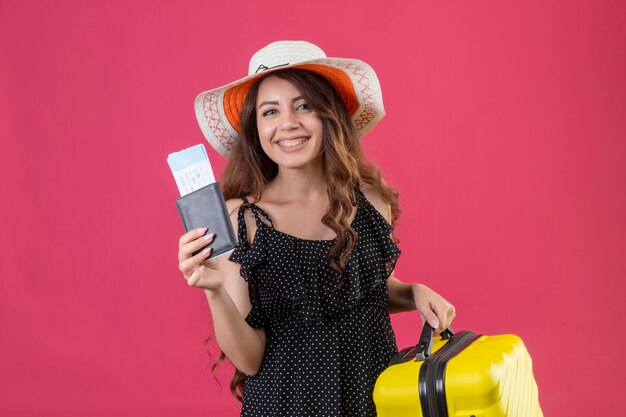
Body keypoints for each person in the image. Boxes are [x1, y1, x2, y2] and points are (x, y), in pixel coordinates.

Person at [177, 41, 456, 417]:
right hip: (286, 403)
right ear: (255, 127)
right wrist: (213, 291)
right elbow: (249, 359)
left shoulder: (372, 199)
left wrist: (413, 292)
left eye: (303, 105)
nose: (287, 123)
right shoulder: (242, 221)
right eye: (270, 111)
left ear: (330, 114)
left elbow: (354, 289)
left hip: (374, 397)